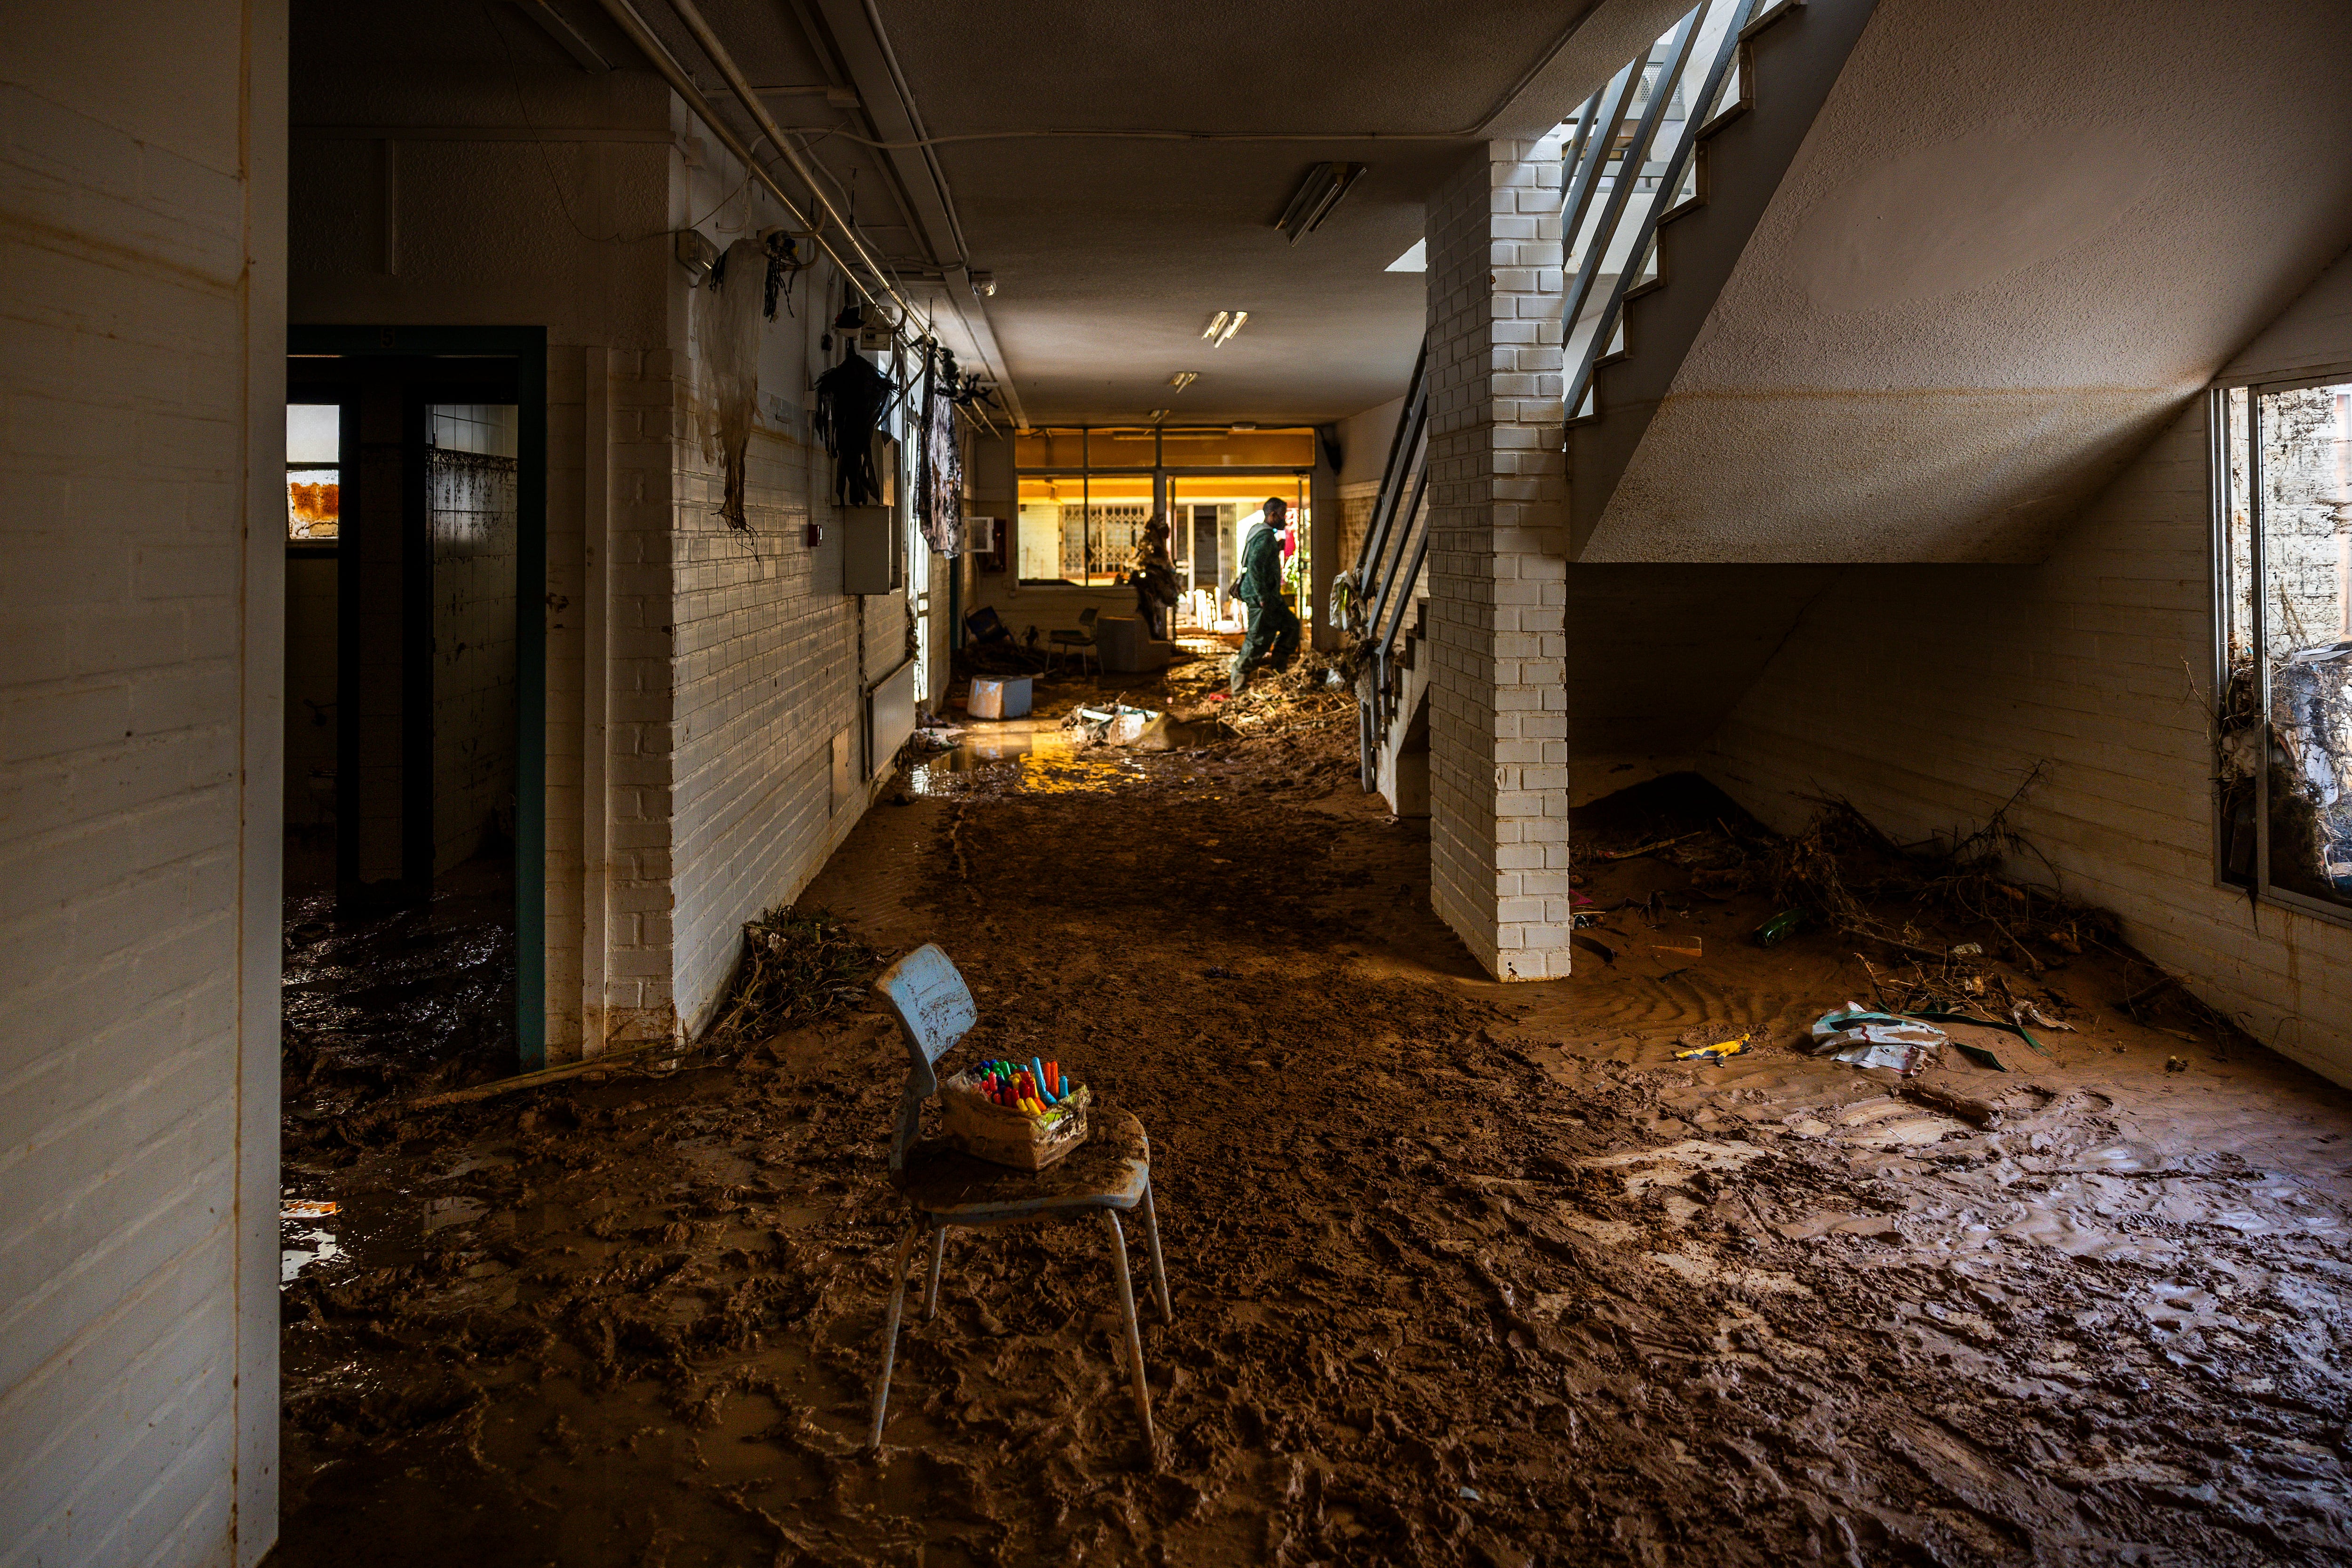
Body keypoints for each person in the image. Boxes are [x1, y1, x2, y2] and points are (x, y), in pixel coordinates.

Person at [1227, 496, 1300, 693]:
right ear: (1274, 515)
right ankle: (1239, 680)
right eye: (1283, 515)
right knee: (1258, 640)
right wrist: (1261, 597)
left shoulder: (1262, 534)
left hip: (1270, 597)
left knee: (1291, 627)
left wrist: (1276, 549)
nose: (1285, 519)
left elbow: (1259, 560)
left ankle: (1279, 672)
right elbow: (1255, 567)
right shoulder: (1264, 537)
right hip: (1262, 598)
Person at [1127, 514, 1181, 640]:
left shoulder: (1160, 550)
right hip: (1148, 581)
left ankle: (1158, 632)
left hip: (1157, 582)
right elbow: (1137, 557)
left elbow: (1164, 564)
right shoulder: (1147, 546)